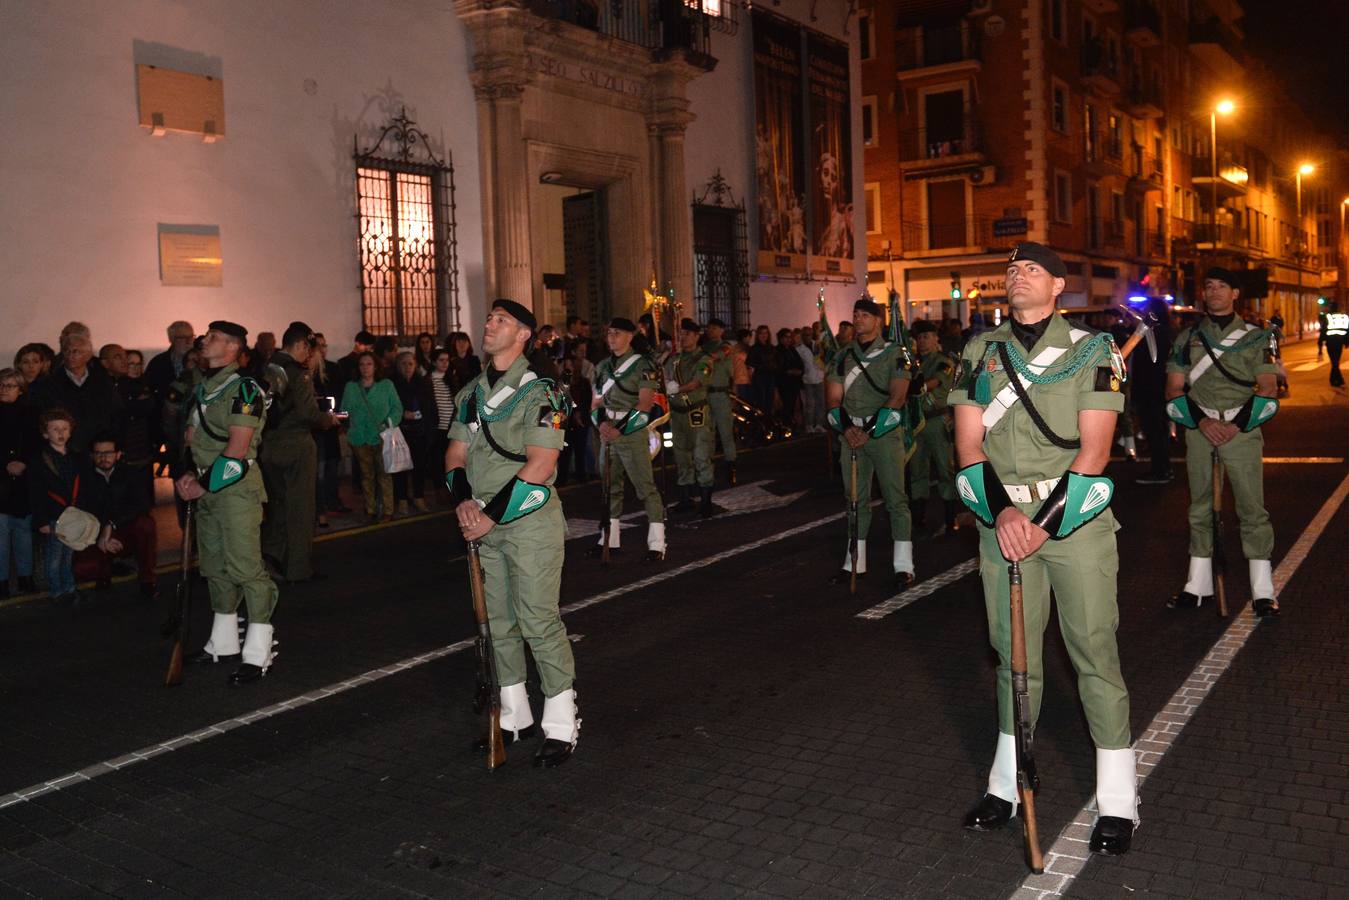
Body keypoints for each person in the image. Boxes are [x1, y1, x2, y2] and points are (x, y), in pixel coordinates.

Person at [950, 241, 1135, 855]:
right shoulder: (980, 349)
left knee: (1093, 653)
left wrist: (1042, 524)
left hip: (1073, 521)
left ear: (1059, 285)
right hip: (1001, 518)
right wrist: (1002, 512)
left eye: (1030, 268)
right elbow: (969, 445)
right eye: (1010, 268)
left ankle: (1118, 798)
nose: (1016, 275)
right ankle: (1006, 783)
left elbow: (1096, 450)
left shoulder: (1092, 350)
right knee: (1013, 660)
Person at [445, 298, 578, 767]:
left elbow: (542, 465)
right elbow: (455, 455)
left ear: (524, 335)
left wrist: (489, 516)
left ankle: (562, 723)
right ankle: (514, 716)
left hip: (527, 521)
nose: (489, 324)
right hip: (482, 520)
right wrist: (463, 501)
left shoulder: (544, 393)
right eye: (489, 317)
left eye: (501, 320)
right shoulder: (470, 393)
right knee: (497, 623)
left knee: (538, 621)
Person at [1165, 267, 1280, 617]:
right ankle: (1196, 586)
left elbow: (1268, 390)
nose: (1214, 292)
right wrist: (1202, 422)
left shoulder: (1257, 337)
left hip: (1241, 431)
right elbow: (1173, 390)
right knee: (1199, 507)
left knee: (1251, 509)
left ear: (1235, 294)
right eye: (1209, 286)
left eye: (1222, 286)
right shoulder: (1187, 338)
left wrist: (1233, 427)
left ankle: (1263, 590)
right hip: (1200, 430)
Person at [175, 321, 278, 686]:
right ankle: (223, 642)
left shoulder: (246, 389)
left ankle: (258, 652)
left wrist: (202, 484)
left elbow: (238, 448)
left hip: (235, 489)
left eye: (214, 337)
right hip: (207, 487)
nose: (205, 341)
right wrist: (187, 474)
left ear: (234, 348)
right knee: (215, 566)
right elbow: (191, 439)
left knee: (245, 567)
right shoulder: (204, 388)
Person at [825, 297, 916, 588]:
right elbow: (833, 399)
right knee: (854, 501)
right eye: (855, 314)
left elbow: (898, 396)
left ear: (878, 321)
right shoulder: (841, 356)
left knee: (895, 500)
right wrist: (849, 428)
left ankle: (904, 565)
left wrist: (869, 430)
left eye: (865, 315)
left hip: (884, 435)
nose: (859, 318)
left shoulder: (895, 354)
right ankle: (854, 562)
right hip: (850, 434)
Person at [261, 322, 338, 582]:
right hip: (296, 445)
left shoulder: (267, 367)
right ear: (302, 344)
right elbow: (308, 414)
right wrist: (329, 420)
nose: (310, 355)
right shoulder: (297, 373)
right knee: (301, 509)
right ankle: (298, 569)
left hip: (268, 445)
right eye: (309, 348)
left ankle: (272, 557)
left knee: (278, 505)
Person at [587, 317, 666, 562]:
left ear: (630, 337)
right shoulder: (601, 368)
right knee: (610, 488)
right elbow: (596, 403)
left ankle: (657, 543)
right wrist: (601, 424)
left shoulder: (644, 366)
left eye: (617, 333)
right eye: (609, 333)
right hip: (607, 432)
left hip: (631, 433)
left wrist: (619, 430)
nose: (611, 337)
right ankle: (609, 540)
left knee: (645, 488)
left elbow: (644, 406)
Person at [73, 434, 158, 597]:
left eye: (109, 452)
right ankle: (104, 572)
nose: (103, 457)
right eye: (98, 453)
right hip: (96, 535)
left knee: (146, 524)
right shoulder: (84, 479)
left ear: (118, 454)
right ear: (92, 455)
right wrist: (99, 537)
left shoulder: (131, 474)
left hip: (125, 530)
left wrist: (111, 525)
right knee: (82, 570)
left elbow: (141, 505)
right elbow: (81, 511)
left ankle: (148, 580)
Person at [28, 333, 125, 455]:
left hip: (98, 450)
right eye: (67, 351)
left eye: (76, 352)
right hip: (64, 449)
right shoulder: (49, 384)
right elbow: (41, 418)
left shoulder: (102, 381)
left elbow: (116, 414)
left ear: (88, 355)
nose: (70, 356)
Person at [906, 320, 958, 539]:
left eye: (927, 336)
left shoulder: (943, 361)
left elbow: (936, 381)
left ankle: (950, 519)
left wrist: (917, 386)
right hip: (918, 423)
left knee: (945, 470)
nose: (922, 341)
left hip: (937, 422)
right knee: (917, 470)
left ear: (936, 339)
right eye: (919, 337)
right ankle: (919, 518)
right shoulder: (914, 363)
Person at [340, 351, 402, 522]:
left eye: (369, 364)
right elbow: (344, 409)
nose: (365, 368)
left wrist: (388, 422)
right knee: (366, 476)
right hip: (359, 436)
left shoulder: (386, 385)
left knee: (384, 474)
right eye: (362, 364)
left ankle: (388, 510)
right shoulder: (351, 387)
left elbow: (397, 408)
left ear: (376, 366)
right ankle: (370, 509)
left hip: (382, 435)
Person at [29, 407, 82, 602]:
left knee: (68, 554)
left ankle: (69, 587)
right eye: (55, 429)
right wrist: (41, 520)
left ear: (71, 431)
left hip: (72, 514)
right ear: (45, 433)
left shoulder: (76, 456)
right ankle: (57, 590)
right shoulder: (39, 460)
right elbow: (36, 493)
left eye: (64, 429)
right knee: (54, 555)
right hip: (53, 515)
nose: (60, 433)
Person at [665, 319, 715, 518]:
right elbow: (665, 376)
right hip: (677, 413)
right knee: (681, 455)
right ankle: (685, 498)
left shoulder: (703, 359)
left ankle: (705, 500)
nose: (683, 337)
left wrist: (677, 388)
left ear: (696, 336)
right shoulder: (674, 359)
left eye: (687, 334)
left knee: (701, 455)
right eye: (681, 333)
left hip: (696, 412)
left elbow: (697, 382)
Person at [0, 369, 37, 598]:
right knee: (1, 534)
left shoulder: (31, 414)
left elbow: (36, 445)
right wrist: (5, 464)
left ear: (21, 390)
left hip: (24, 481)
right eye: (2, 384)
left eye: (10, 385)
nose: (4, 389)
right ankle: (2, 582)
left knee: (23, 532)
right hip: (1, 481)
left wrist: (23, 463)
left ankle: (26, 578)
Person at [1133, 298, 1176, 485]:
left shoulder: (1153, 334)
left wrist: (1139, 392)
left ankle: (1160, 470)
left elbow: (1148, 367)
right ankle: (1163, 468)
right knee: (1159, 431)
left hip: (1152, 391)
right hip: (1157, 390)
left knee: (1155, 431)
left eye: (1146, 309)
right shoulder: (1164, 332)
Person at [310, 333, 347, 521]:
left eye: (325, 345)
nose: (323, 349)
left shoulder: (333, 368)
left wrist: (341, 417)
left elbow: (341, 396)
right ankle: (320, 507)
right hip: (316, 428)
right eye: (319, 346)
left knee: (333, 464)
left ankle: (333, 500)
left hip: (332, 425)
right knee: (320, 468)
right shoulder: (307, 371)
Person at [390, 350, 429, 514]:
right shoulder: (392, 383)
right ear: (398, 366)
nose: (407, 367)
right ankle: (402, 499)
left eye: (411, 363)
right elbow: (389, 406)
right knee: (400, 466)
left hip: (419, 430)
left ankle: (418, 496)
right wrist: (401, 414)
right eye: (403, 364)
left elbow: (429, 406)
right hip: (400, 430)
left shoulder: (422, 382)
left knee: (419, 465)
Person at [701, 318, 739, 484]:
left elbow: (716, 356)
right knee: (707, 433)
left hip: (720, 394)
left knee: (725, 432)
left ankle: (731, 465)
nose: (710, 330)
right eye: (709, 328)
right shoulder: (703, 347)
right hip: (705, 394)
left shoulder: (726, 346)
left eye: (714, 328)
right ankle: (708, 466)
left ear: (722, 330)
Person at [420, 347, 457, 495]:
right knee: (437, 460)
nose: (445, 363)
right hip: (436, 428)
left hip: (452, 427)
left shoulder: (451, 379)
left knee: (452, 459)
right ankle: (439, 489)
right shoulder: (427, 381)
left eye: (447, 360)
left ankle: (451, 488)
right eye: (441, 360)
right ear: (434, 362)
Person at [144, 321, 196, 399]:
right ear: (171, 339)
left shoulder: (202, 361)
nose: (188, 341)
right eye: (182, 337)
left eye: (191, 337)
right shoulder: (158, 363)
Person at [775, 327, 804, 426]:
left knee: (792, 405)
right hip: (784, 383)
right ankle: (785, 425)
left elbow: (800, 362)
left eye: (790, 337)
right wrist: (789, 371)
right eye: (786, 337)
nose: (788, 339)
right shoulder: (777, 350)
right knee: (785, 405)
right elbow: (777, 367)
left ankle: (790, 424)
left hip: (794, 382)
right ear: (781, 338)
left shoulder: (792, 349)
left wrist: (799, 370)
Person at [746, 325, 776, 413]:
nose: (764, 335)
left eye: (766, 333)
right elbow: (750, 364)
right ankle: (761, 423)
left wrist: (774, 367)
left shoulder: (772, 348)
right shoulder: (754, 348)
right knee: (761, 401)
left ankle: (768, 422)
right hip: (760, 377)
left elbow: (777, 361)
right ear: (758, 335)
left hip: (771, 377)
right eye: (761, 333)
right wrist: (762, 366)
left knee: (770, 401)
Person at [1321, 301, 1348, 387]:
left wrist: (1320, 344)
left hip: (1330, 342)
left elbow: (1323, 331)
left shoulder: (1328, 317)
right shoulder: (1343, 317)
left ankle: (1335, 379)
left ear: (1331, 308)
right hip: (1339, 342)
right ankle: (1337, 379)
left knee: (1334, 361)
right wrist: (1346, 342)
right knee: (1336, 361)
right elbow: (1347, 330)